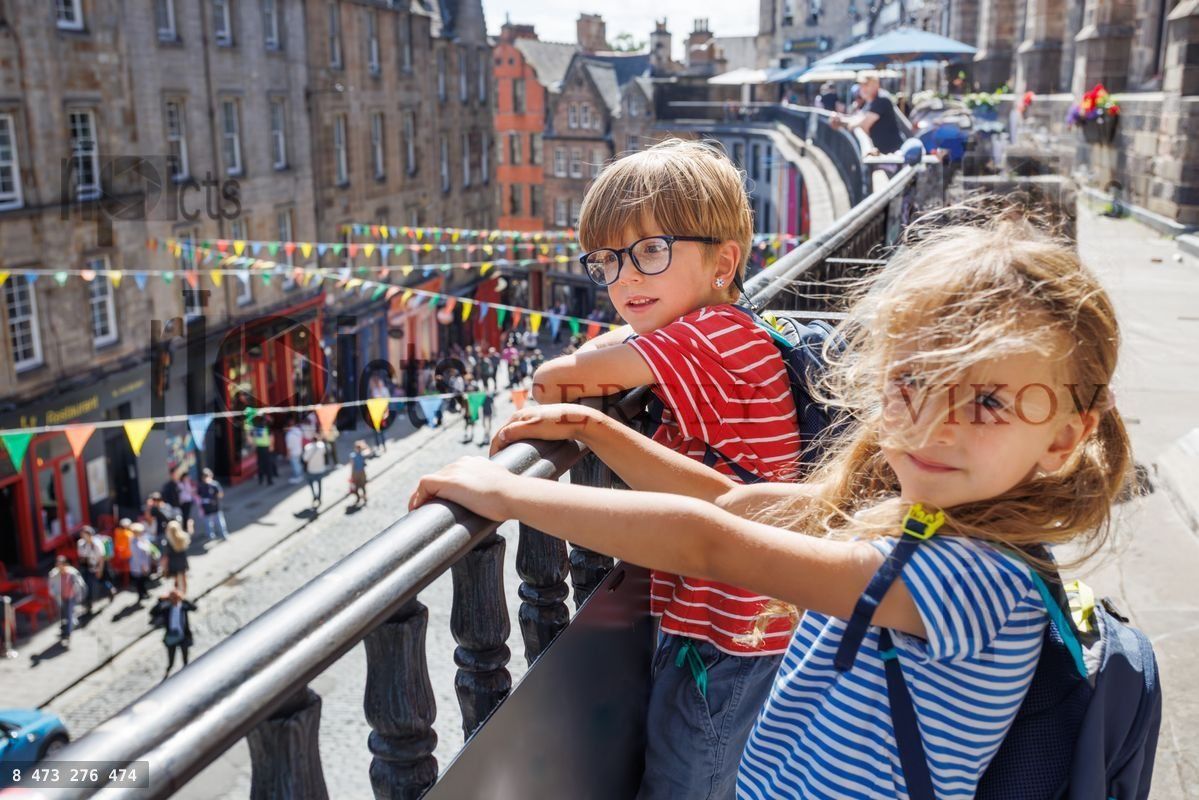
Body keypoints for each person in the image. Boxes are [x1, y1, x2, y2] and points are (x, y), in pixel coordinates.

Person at [415, 209, 1129, 799]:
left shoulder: (978, 576)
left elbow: (711, 542)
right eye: (912, 382)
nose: (934, 424)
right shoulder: (917, 517)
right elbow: (735, 502)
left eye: (988, 401)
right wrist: (596, 429)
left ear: (1063, 437)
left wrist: (512, 493)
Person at [528, 138, 802, 799]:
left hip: (732, 634)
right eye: (607, 260)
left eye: (649, 252)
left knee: (687, 782)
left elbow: (553, 379)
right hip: (739, 619)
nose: (624, 279)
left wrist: (597, 374)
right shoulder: (732, 327)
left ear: (722, 262)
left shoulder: (708, 336)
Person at [829, 73, 904, 155]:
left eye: (866, 85)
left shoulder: (882, 100)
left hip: (892, 155)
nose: (863, 88)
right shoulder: (869, 103)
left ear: (876, 85)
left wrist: (845, 122)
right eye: (861, 85)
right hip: (881, 155)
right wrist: (841, 119)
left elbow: (863, 124)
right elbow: (857, 119)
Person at [150, 589, 196, 678]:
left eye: (176, 598)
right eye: (172, 598)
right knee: (171, 659)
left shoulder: (183, 606)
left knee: (185, 656)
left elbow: (194, 608)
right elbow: (153, 612)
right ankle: (168, 672)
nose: (174, 600)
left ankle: (186, 672)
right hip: (171, 636)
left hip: (183, 636)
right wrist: (161, 601)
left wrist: (184, 599)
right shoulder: (167, 608)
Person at [48, 555, 86, 647]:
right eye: (57, 564)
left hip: (71, 597)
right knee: (63, 615)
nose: (59, 566)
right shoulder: (54, 574)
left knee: (68, 615)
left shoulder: (72, 573)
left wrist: (79, 595)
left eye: (60, 564)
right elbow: (51, 587)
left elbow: (80, 584)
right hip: (60, 598)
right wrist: (54, 594)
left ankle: (68, 634)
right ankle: (69, 626)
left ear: (65, 564)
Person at [76, 525, 114, 615]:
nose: (83, 537)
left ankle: (110, 591)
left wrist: (100, 570)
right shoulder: (81, 544)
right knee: (88, 585)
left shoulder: (97, 544)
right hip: (88, 567)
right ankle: (88, 604)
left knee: (102, 581)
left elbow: (101, 559)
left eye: (85, 535)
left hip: (98, 566)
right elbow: (81, 556)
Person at [127, 522, 156, 602]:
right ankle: (141, 595)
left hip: (142, 565)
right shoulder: (134, 542)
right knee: (140, 581)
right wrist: (143, 566)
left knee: (142, 580)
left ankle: (144, 592)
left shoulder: (140, 539)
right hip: (139, 566)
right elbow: (138, 556)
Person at [197, 468, 228, 541]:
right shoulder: (201, 486)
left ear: (211, 476)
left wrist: (215, 497)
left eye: (207, 476)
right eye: (204, 477)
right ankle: (211, 537)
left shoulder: (215, 484)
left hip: (216, 507)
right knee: (208, 523)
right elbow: (199, 495)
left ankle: (224, 535)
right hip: (206, 508)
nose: (206, 479)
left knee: (220, 522)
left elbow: (221, 494)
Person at [161, 520, 191, 596]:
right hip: (182, 562)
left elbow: (166, 556)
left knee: (176, 579)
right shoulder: (183, 538)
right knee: (183, 578)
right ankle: (183, 593)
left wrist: (164, 567)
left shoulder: (168, 542)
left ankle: (178, 594)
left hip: (173, 563)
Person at [302, 435, 328, 509]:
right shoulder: (322, 446)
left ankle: (314, 496)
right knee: (319, 484)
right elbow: (325, 453)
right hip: (320, 469)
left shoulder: (308, 447)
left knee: (311, 484)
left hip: (311, 470)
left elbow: (305, 459)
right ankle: (319, 497)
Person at [250, 420, 275, 485]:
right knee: (268, 465)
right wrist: (271, 446)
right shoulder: (267, 429)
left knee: (260, 464)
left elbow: (252, 438)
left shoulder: (256, 430)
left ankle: (260, 480)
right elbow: (271, 438)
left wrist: (254, 446)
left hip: (259, 448)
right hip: (266, 448)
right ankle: (269, 481)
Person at [285, 419, 305, 484]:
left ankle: (298, 477)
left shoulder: (289, 435)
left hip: (293, 452)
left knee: (295, 465)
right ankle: (300, 475)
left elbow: (289, 447)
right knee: (298, 464)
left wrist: (288, 455)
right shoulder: (298, 430)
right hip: (299, 449)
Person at [349, 441, 369, 506]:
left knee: (361, 487)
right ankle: (360, 497)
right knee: (358, 487)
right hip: (358, 473)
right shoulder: (356, 455)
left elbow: (352, 466)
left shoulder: (360, 455)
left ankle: (362, 497)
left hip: (359, 473)